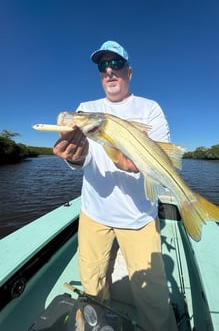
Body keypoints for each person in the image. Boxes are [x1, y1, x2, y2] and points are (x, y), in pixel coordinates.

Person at [53, 40, 178, 331]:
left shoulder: (150, 109)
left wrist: (139, 165)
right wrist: (74, 159)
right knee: (93, 283)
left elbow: (162, 157)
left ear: (129, 72)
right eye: (103, 66)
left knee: (153, 297)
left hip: (139, 217)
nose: (109, 71)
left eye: (116, 64)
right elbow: (82, 159)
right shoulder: (88, 109)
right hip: (94, 213)